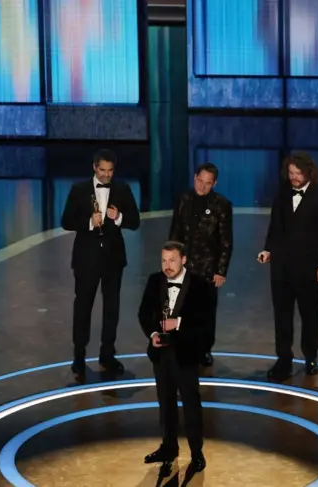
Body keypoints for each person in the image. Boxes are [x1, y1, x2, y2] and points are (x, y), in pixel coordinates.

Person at [257, 152, 318, 381]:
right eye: (291, 173)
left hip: (309, 269)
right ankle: (284, 360)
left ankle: (311, 357)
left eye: (298, 173)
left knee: (309, 315)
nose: (293, 177)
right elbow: (275, 226)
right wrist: (267, 250)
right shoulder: (282, 193)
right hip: (281, 268)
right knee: (282, 317)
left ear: (308, 172)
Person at [61, 149, 140, 376]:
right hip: (86, 259)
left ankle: (107, 354)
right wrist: (88, 222)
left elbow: (135, 221)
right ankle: (79, 355)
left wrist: (119, 217)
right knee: (83, 307)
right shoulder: (79, 190)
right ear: (94, 168)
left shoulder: (122, 189)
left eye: (110, 171)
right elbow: (66, 220)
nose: (106, 175)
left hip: (113, 260)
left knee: (111, 309)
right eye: (102, 171)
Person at [138, 241, 208, 476]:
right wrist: (153, 333)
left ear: (184, 259)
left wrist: (178, 324)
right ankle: (169, 448)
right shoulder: (154, 280)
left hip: (186, 354)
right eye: (164, 260)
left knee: (190, 405)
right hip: (161, 355)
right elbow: (143, 313)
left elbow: (204, 323)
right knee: (165, 403)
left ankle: (197, 454)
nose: (167, 266)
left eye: (172, 260)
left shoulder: (199, 285)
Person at [168, 162, 233, 366]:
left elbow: (225, 240)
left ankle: (204, 349)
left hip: (207, 268)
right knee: (179, 307)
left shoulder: (222, 205)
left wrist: (221, 270)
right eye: (199, 181)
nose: (202, 186)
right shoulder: (183, 199)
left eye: (207, 183)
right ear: (194, 177)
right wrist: (170, 261)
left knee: (205, 311)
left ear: (214, 184)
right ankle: (181, 347)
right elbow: (175, 231)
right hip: (183, 265)